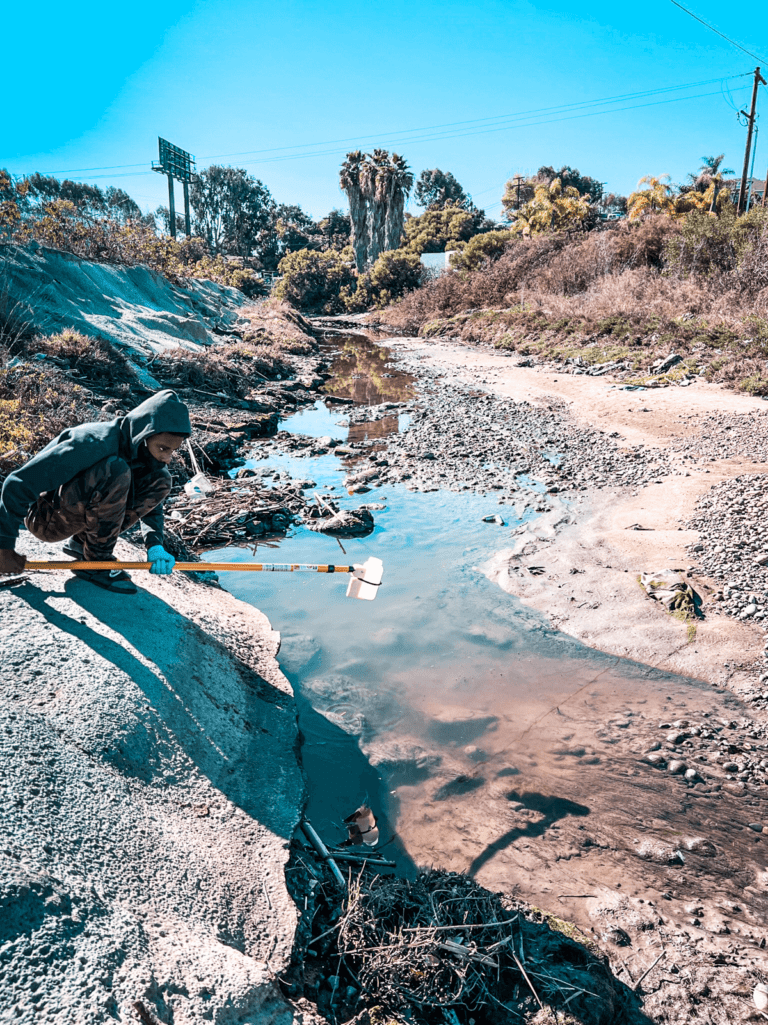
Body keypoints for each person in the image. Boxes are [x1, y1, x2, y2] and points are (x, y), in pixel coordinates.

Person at [0, 389, 191, 594]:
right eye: (163, 449)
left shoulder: (144, 453)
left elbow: (151, 507)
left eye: (173, 451)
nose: (168, 458)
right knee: (115, 470)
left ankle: (83, 545)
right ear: (144, 435)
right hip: (45, 520)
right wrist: (4, 547)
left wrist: (155, 546)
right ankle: (96, 563)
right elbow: (17, 483)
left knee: (161, 478)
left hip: (76, 514)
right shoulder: (92, 443)